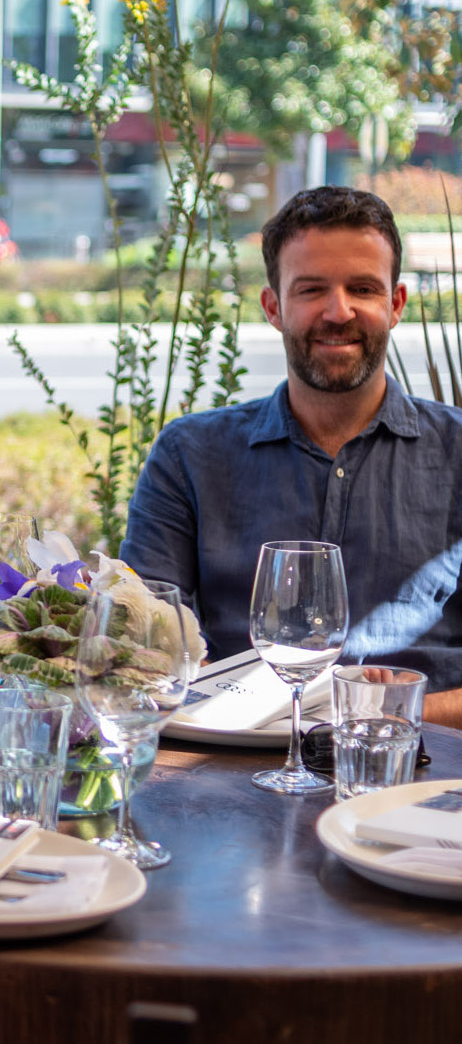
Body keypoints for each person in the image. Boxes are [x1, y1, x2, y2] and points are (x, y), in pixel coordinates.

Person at [122, 185, 462, 719]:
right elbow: (141, 645)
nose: (338, 311)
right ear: (274, 307)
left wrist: (388, 712)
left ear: (394, 305)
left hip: (422, 770)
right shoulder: (190, 455)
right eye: (311, 290)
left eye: (363, 288)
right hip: (229, 764)